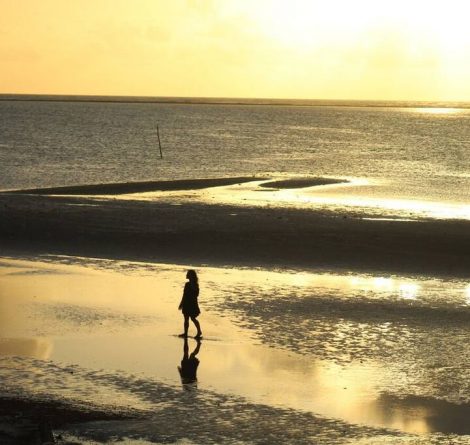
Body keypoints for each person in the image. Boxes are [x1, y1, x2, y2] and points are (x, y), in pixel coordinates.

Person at [178, 269, 203, 338]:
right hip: (186, 303)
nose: (186, 275)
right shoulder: (187, 284)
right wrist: (181, 304)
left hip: (192, 304)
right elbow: (184, 295)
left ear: (191, 276)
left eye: (188, 274)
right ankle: (185, 333)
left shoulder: (195, 285)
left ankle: (199, 331)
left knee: (193, 318)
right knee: (186, 319)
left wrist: (193, 285)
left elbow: (196, 294)